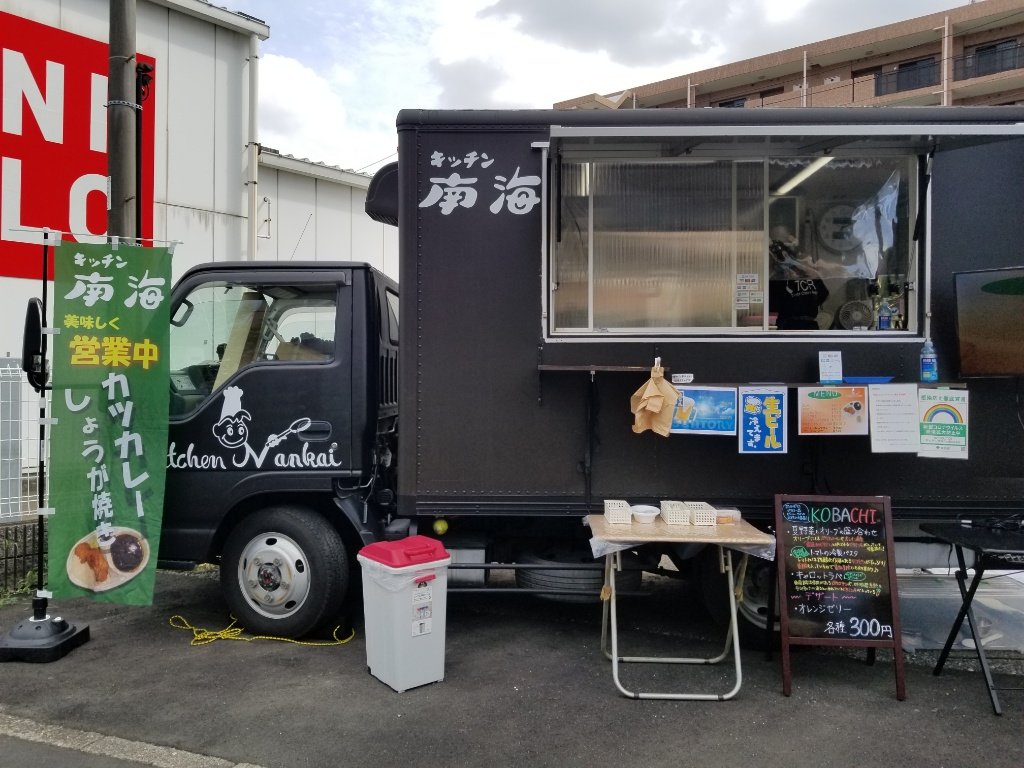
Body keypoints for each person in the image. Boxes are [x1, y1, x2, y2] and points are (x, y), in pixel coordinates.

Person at [768, 226, 829, 330]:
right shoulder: (778, 277)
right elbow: (822, 295)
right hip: (794, 325)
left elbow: (823, 294)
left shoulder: (808, 272)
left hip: (797, 325)